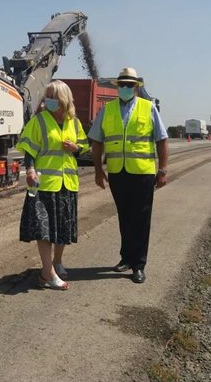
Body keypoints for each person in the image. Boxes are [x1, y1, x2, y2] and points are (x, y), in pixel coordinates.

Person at [88, 67, 169, 284]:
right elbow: (97, 140)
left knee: (140, 219)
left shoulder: (148, 107)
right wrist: (98, 170)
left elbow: (161, 139)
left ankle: (138, 265)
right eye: (122, 84)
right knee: (124, 217)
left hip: (142, 173)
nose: (125, 88)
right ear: (117, 87)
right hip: (117, 172)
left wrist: (162, 170)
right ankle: (126, 258)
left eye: (129, 85)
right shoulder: (108, 109)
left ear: (136, 87)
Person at [16, 80, 89, 290]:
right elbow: (29, 150)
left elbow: (84, 148)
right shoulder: (39, 121)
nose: (49, 100)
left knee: (63, 229)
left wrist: (76, 148)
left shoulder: (74, 123)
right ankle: (48, 272)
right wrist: (29, 170)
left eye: (53, 97)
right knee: (44, 230)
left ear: (63, 99)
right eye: (47, 96)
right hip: (44, 184)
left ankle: (57, 261)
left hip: (67, 184)